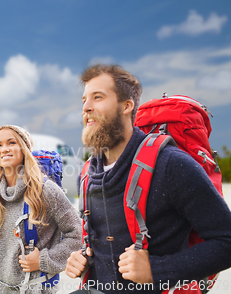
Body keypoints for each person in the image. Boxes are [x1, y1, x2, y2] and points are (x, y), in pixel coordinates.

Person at [64, 64, 231, 293]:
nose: (86, 107)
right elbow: (102, 241)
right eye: (84, 100)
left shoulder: (171, 164)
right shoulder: (87, 174)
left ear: (126, 106)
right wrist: (82, 257)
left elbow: (226, 241)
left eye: (97, 97)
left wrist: (157, 270)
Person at [0, 125, 81, 293]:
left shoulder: (45, 190)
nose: (4, 149)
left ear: (25, 149)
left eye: (11, 142)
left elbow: (78, 233)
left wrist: (44, 260)